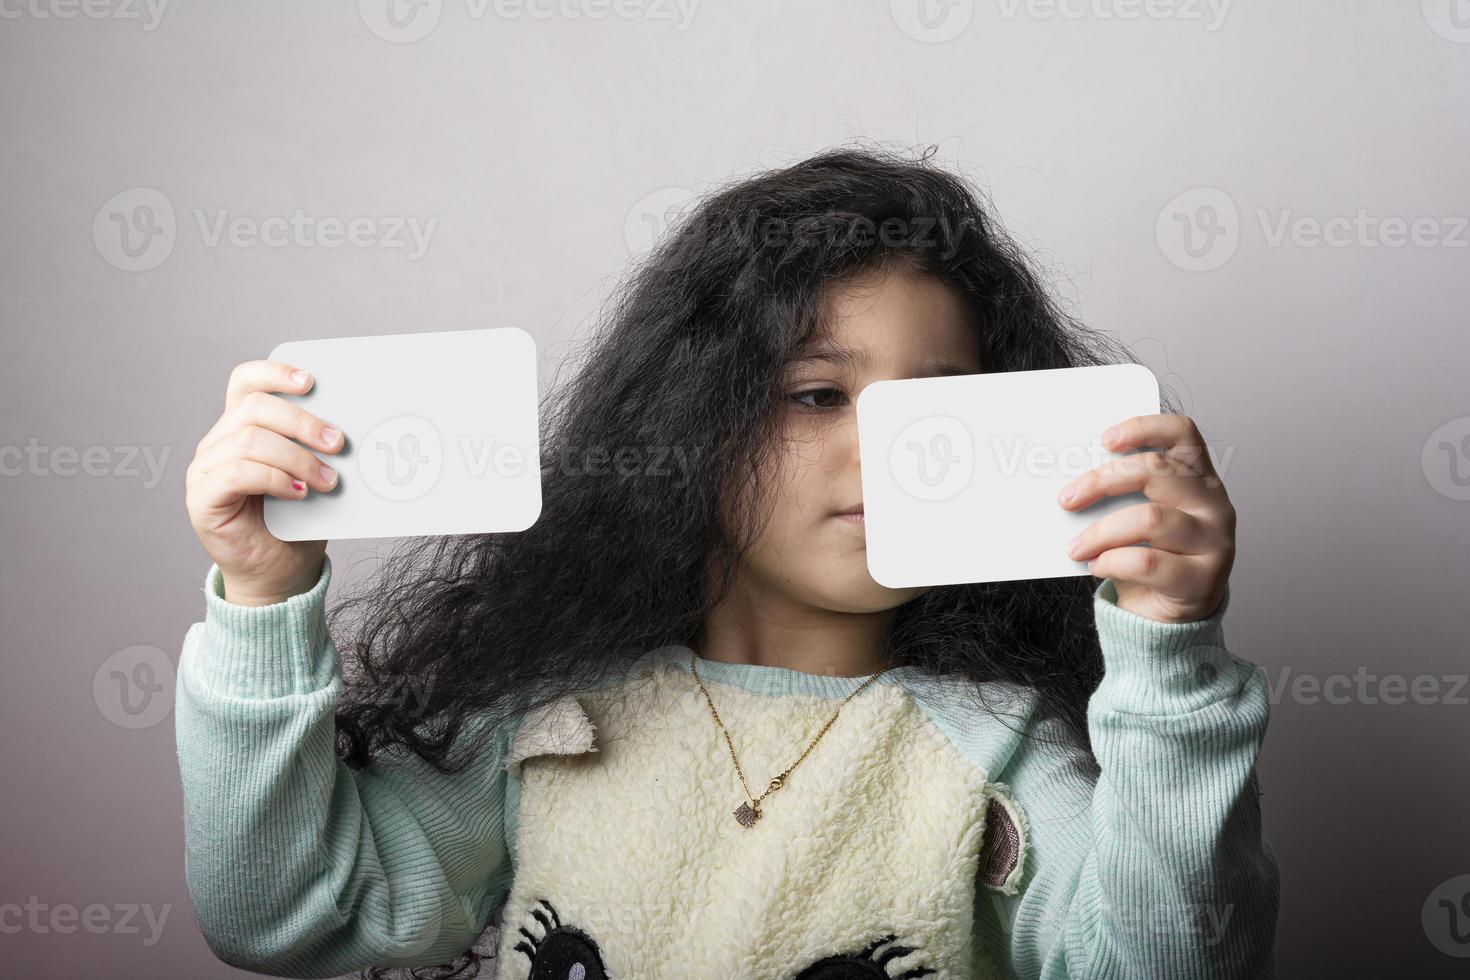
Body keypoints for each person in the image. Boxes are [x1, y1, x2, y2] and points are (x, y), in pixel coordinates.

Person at [176, 145, 1278, 979]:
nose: (884, 446)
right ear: (693, 423)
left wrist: (1167, 649)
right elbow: (285, 909)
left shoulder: (998, 754)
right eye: (816, 394)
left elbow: (1167, 959)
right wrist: (265, 597)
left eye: (937, 410)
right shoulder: (549, 727)